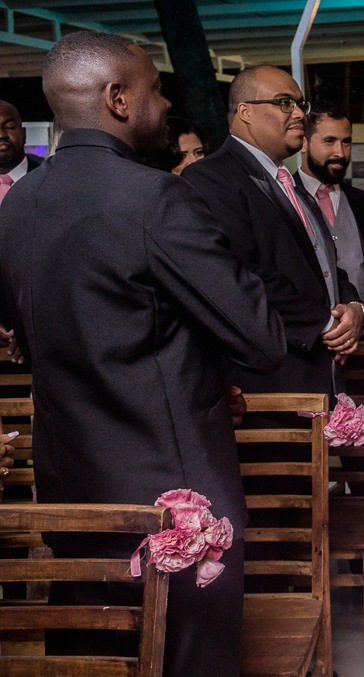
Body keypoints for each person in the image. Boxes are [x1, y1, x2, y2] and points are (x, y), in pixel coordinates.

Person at [0, 31, 286, 676]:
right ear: (118, 99)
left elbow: (29, 331)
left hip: (70, 485)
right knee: (191, 656)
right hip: (172, 491)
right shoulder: (155, 199)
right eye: (156, 90)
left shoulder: (18, 205)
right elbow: (261, 339)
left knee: (92, 650)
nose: (165, 106)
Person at [183, 65, 364, 399]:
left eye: (300, 104)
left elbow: (324, 261)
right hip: (269, 382)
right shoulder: (211, 178)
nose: (299, 114)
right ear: (245, 111)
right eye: (284, 103)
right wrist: (326, 324)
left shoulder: (286, 182)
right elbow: (242, 273)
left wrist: (354, 306)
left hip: (314, 375)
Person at [298, 101, 364, 342]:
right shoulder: (284, 199)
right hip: (308, 350)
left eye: (346, 142)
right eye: (329, 141)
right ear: (303, 143)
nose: (340, 153)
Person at [0, 99, 38, 369]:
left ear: (24, 132)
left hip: (45, 335)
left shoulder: (53, 179)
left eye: (9, 126)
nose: (1, 135)